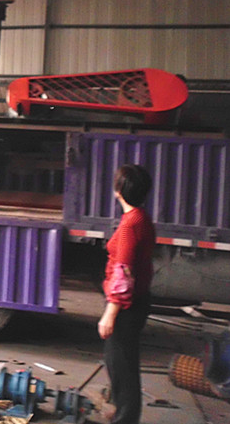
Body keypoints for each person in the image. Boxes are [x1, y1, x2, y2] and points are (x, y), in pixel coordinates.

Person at [97, 164, 155, 424]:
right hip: (137, 300)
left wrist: (110, 314)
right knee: (122, 362)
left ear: (119, 190)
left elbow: (123, 273)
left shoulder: (131, 224)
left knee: (121, 365)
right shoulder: (140, 217)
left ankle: (125, 418)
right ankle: (123, 411)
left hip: (127, 306)